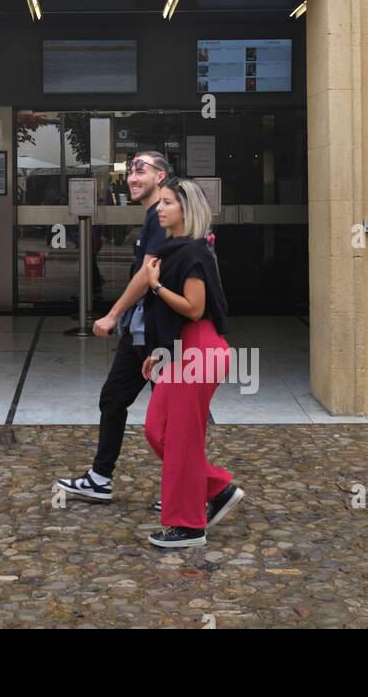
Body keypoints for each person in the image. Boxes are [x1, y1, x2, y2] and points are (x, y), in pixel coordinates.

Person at [53, 152, 171, 502]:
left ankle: (192, 486)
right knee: (113, 399)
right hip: (139, 331)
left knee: (167, 418)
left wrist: (112, 313)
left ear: (161, 176)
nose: (133, 177)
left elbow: (148, 273)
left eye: (142, 170)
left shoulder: (163, 215)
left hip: (158, 332)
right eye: (130, 171)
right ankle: (100, 478)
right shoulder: (152, 216)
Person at [140, 177, 244, 548]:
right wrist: (160, 351)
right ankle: (216, 488)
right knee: (157, 429)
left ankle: (187, 526)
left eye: (168, 202)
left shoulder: (193, 253)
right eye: (160, 202)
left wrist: (156, 286)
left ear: (187, 210)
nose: (160, 208)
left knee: (183, 440)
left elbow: (195, 309)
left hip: (199, 351)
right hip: (183, 350)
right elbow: (177, 319)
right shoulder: (177, 250)